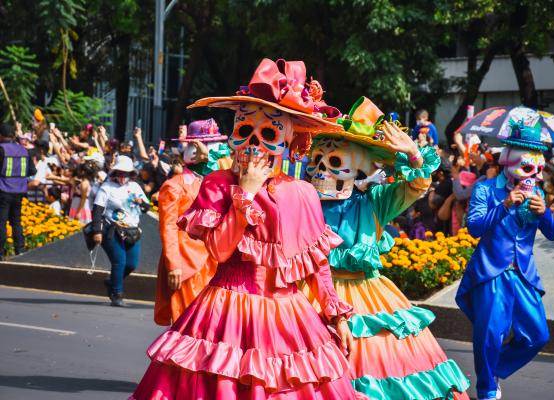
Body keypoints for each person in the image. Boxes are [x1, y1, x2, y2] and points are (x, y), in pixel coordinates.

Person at [131, 58, 360, 399]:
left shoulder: (301, 193)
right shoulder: (218, 184)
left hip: (288, 315)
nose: (253, 143)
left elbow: (317, 267)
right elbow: (220, 250)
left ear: (288, 141)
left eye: (268, 133)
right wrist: (246, 193)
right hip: (226, 311)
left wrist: (338, 316)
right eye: (244, 130)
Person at [305, 96, 469, 400]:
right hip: (313, 291)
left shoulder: (375, 202)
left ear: (359, 168)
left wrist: (413, 154)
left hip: (363, 295)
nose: (321, 170)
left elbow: (416, 186)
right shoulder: (304, 199)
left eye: (335, 162)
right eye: (316, 161)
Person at [456, 119, 554, 400]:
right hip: (492, 271)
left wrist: (545, 214)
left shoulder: (537, 193)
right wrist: (504, 205)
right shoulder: (485, 189)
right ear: (509, 162)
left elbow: (552, 234)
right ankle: (487, 388)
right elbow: (474, 227)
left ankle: (494, 368)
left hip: (524, 273)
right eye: (527, 168)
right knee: (489, 334)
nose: (533, 176)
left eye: (538, 170)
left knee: (538, 335)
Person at [154, 119, 230, 326]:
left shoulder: (216, 182)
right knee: (188, 327)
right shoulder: (174, 186)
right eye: (212, 144)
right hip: (186, 263)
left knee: (211, 327)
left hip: (213, 264)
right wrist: (174, 265)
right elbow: (168, 228)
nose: (219, 150)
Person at [91, 155, 150, 307]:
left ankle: (112, 281)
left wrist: (141, 202)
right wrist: (97, 231)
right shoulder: (107, 188)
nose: (123, 176)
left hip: (132, 230)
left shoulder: (135, 187)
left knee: (131, 264)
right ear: (115, 173)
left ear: (131, 174)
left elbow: (146, 208)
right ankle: (117, 294)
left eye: (126, 173)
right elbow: (97, 210)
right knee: (119, 261)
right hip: (112, 230)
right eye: (120, 173)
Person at [0, 123, 36, 259]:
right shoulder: (24, 150)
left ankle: (0, 252)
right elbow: (33, 170)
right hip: (19, 191)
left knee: (1, 222)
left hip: (3, 190)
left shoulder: (1, 149)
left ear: (1, 136)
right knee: (16, 222)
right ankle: (20, 251)